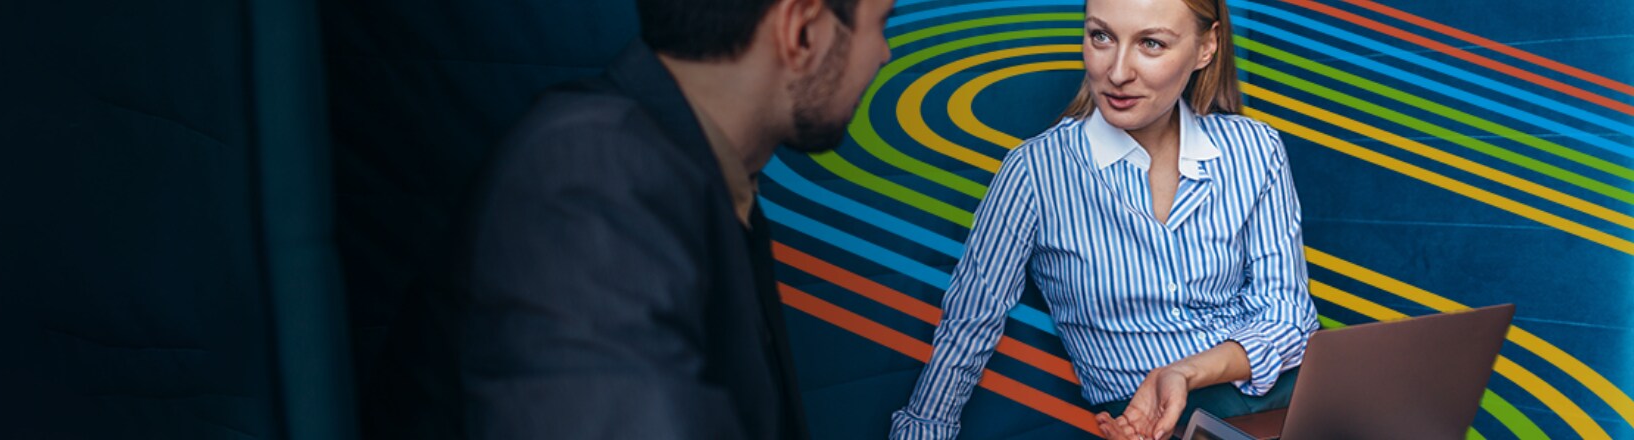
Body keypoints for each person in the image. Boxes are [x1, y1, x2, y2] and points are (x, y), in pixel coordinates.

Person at [363, 0, 895, 438]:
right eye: (881, 24)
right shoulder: (586, 174)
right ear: (800, 30)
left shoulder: (696, 175)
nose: (884, 53)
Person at [888, 0, 1318, 438]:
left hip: (1290, 398)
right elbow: (969, 325)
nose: (1117, 72)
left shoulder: (1254, 148)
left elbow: (1290, 318)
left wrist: (1184, 373)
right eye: (1102, 36)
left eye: (1151, 43)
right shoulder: (1036, 171)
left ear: (1206, 47)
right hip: (1148, 424)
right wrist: (924, 429)